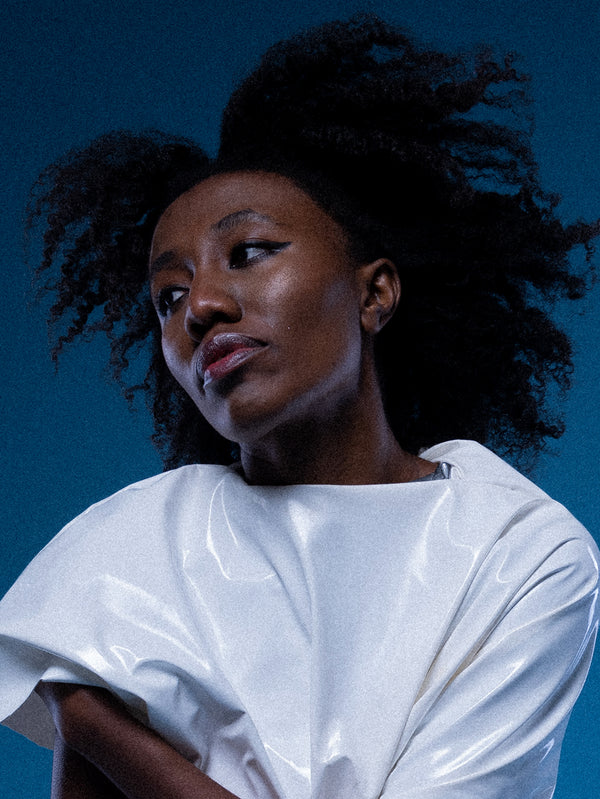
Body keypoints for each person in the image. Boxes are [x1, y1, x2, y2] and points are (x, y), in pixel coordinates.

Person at [0, 13, 598, 799]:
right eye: (169, 295)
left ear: (374, 293)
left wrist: (91, 718)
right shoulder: (128, 553)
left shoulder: (520, 552)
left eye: (248, 253)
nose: (201, 306)